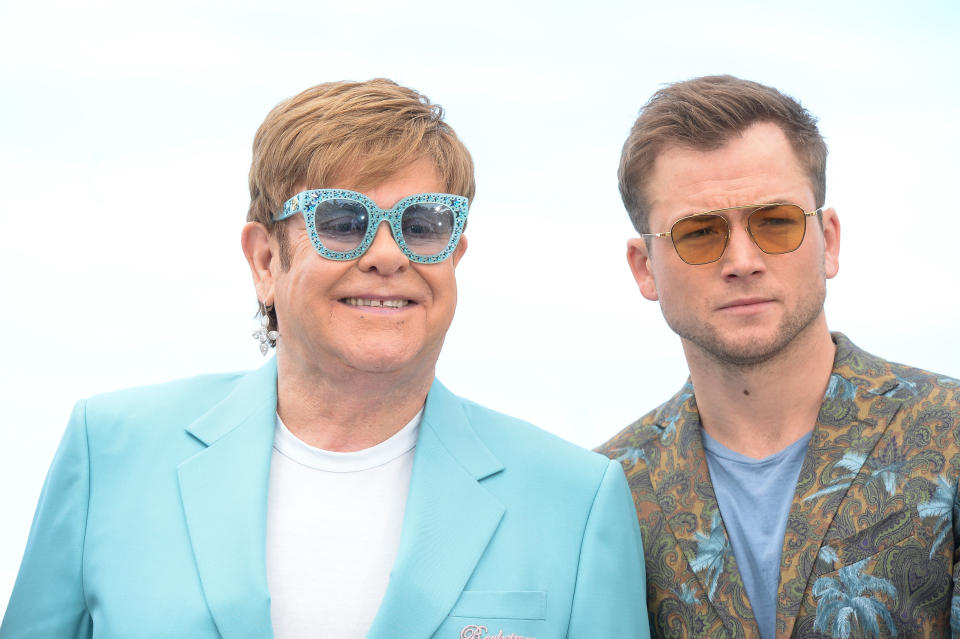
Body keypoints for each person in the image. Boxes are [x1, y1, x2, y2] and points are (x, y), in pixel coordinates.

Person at [2, 79, 649, 639]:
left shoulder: (576, 501)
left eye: (423, 224)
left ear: (453, 256)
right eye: (342, 220)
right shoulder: (108, 453)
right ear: (264, 259)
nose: (389, 253)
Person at [597, 75, 960, 639]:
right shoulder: (605, 490)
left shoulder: (951, 432)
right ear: (645, 268)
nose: (742, 260)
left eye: (775, 223)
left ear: (829, 240)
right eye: (698, 233)